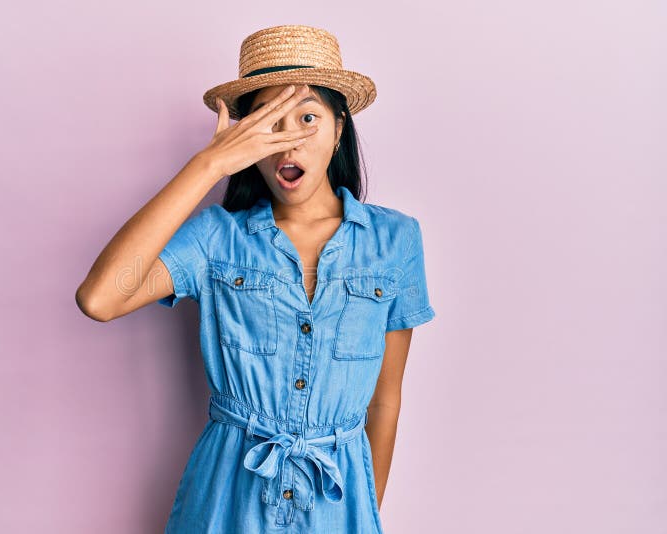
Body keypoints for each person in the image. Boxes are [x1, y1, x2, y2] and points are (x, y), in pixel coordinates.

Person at [76, 24, 435, 534]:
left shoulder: (395, 241)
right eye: (270, 125)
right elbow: (99, 298)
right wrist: (210, 163)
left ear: (339, 129)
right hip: (228, 499)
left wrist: (364, 512)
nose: (289, 142)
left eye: (307, 118)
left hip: (339, 503)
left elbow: (384, 399)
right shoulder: (215, 239)